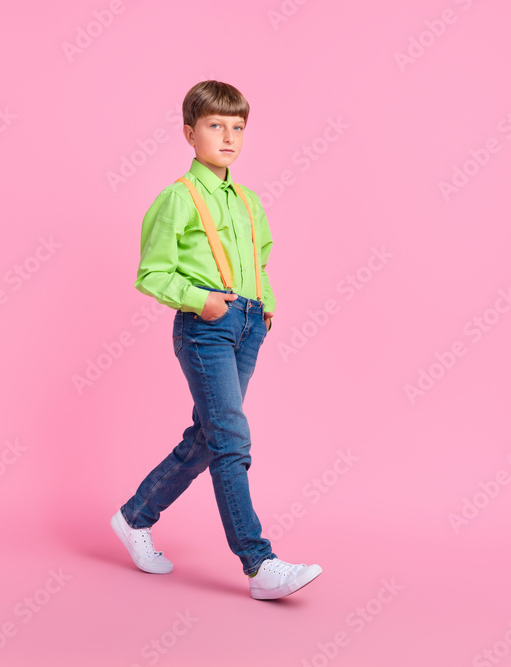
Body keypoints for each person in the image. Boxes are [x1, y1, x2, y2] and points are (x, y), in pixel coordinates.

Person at [111, 80, 322, 600]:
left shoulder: (249, 201)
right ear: (189, 133)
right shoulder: (177, 199)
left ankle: (134, 516)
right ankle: (259, 564)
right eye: (214, 126)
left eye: (237, 127)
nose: (228, 137)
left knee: (210, 436)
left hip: (248, 324)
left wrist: (265, 303)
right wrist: (200, 300)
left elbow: (261, 258)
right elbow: (151, 273)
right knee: (231, 438)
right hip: (206, 322)